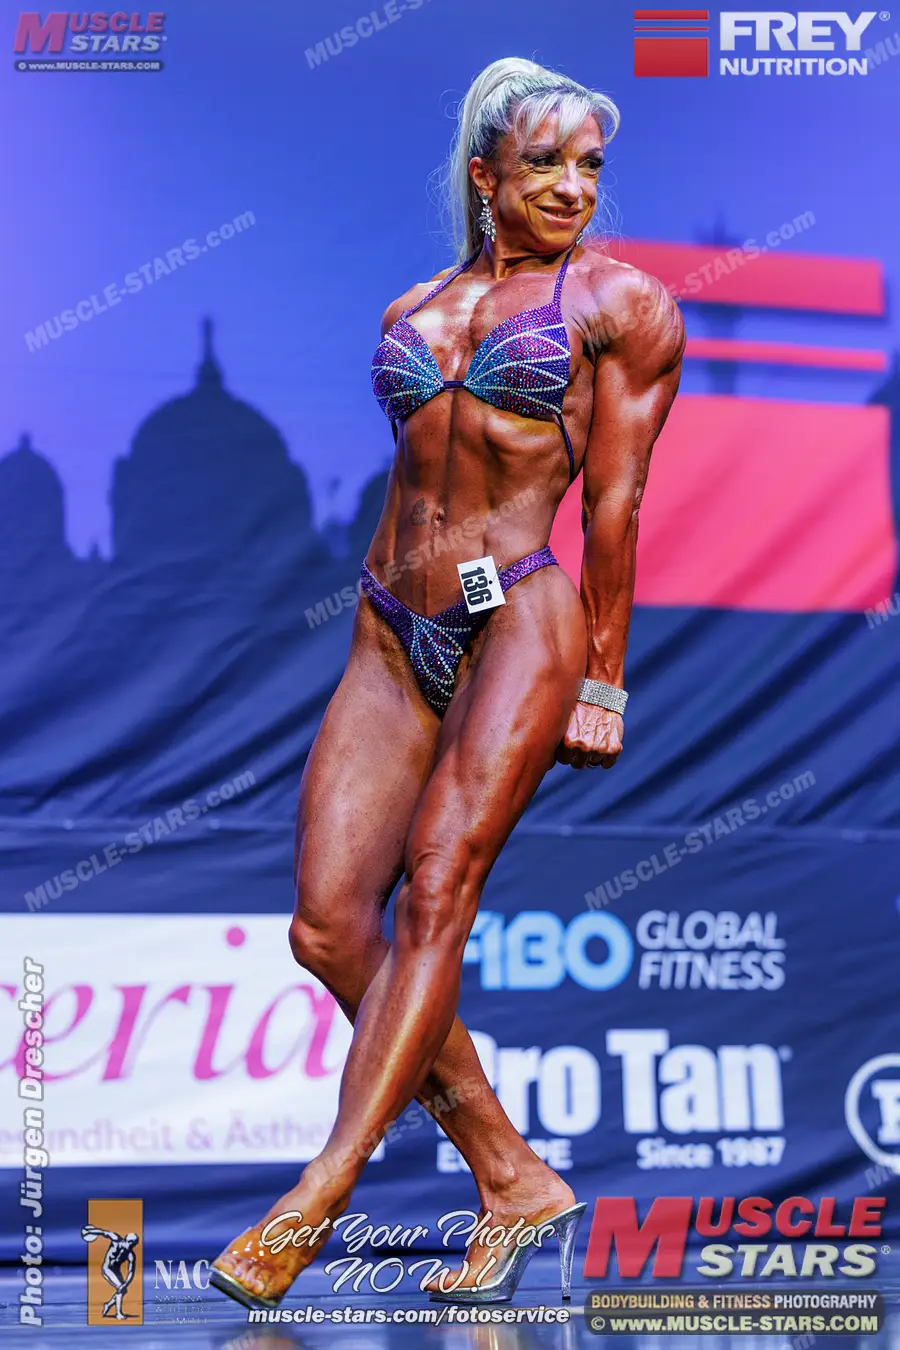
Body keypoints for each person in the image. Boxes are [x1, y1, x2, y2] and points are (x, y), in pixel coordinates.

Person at [211, 54, 684, 1310]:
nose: (573, 186)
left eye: (590, 166)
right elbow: (423, 475)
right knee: (327, 926)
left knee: (437, 893)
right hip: (390, 623)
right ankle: (512, 1174)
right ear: (485, 174)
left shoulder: (624, 304)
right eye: (545, 163)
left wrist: (605, 680)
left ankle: (317, 1197)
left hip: (521, 615)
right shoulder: (412, 306)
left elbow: (619, 501)